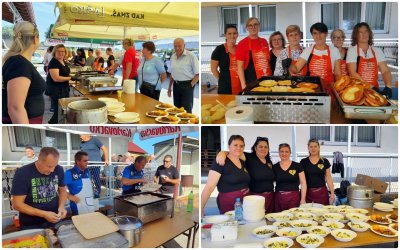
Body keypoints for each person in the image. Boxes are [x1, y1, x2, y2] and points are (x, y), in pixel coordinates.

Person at [11, 147, 67, 230]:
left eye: (54, 166)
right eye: (49, 166)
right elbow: (17, 205)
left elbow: (62, 191)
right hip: (31, 224)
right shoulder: (23, 173)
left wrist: (61, 207)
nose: (52, 170)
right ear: (39, 160)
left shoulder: (58, 169)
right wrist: (44, 214)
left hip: (54, 219)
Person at [2, 21, 46, 124]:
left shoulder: (19, 62)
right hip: (26, 122)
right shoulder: (20, 64)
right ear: (35, 39)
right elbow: (15, 108)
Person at [216, 137, 275, 213]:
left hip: (270, 198)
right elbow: (234, 152)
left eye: (266, 147)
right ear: (255, 148)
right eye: (260, 146)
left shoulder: (269, 162)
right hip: (255, 198)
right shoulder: (248, 157)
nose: (263, 149)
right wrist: (222, 153)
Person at [201, 135, 250, 217]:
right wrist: (201, 208)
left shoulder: (242, 161)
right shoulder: (220, 162)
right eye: (235, 145)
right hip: (229, 202)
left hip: (245, 202)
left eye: (241, 146)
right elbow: (209, 187)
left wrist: (223, 152)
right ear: (229, 146)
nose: (238, 148)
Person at [290, 22, 341, 93]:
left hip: (329, 90)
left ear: (326, 34)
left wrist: (338, 90)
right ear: (312, 35)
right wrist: (289, 63)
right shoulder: (308, 50)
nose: (318, 36)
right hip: (311, 89)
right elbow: (296, 69)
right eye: (315, 33)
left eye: (321, 33)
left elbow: (338, 74)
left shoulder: (334, 51)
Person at [347, 22, 392, 98]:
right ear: (356, 35)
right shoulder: (352, 51)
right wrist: (371, 87)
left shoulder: (377, 51)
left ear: (369, 33)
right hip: (357, 91)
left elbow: (385, 71)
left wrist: (388, 86)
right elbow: (353, 73)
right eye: (360, 32)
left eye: (366, 31)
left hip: (375, 90)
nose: (364, 34)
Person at [236, 17, 272, 89]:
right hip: (251, 81)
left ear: (259, 26)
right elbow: (240, 67)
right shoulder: (242, 44)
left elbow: (267, 61)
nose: (253, 27)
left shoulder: (264, 41)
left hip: (267, 80)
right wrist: (243, 85)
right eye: (250, 25)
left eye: (256, 24)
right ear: (247, 28)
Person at [168, 38, 199, 113]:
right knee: (176, 108)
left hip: (187, 84)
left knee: (186, 109)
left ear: (184, 45)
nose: (177, 48)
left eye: (179, 46)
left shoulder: (191, 56)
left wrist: (190, 85)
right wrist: (169, 88)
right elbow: (173, 73)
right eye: (175, 46)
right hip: (176, 85)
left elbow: (198, 74)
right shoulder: (173, 57)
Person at [273, 143, 307, 212]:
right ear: (279, 153)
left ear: (290, 153)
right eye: (282, 151)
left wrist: (303, 199)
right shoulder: (274, 167)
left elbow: (303, 183)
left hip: (294, 198)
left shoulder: (297, 166)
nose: (284, 153)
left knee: (293, 220)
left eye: (286, 151)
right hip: (279, 198)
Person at [300, 139, 335, 205]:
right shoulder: (303, 162)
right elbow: (301, 181)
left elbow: (329, 178)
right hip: (308, 193)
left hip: (322, 193)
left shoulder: (324, 161)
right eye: (311, 147)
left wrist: (332, 193)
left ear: (319, 147)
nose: (313, 149)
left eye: (315, 146)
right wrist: (302, 198)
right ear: (308, 148)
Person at [211, 24, 241, 95]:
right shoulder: (219, 49)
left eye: (234, 33)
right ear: (225, 35)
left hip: (240, 85)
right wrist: (222, 80)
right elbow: (213, 69)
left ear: (237, 34)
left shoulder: (240, 48)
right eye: (229, 33)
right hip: (225, 87)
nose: (232, 36)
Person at [46, 44, 71, 124]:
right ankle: (50, 125)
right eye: (59, 51)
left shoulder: (63, 61)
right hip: (56, 90)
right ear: (54, 52)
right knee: (58, 112)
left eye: (63, 51)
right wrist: (70, 78)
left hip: (63, 89)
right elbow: (56, 78)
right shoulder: (54, 62)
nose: (61, 53)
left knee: (62, 111)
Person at [64, 151, 95, 215]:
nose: (87, 163)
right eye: (85, 161)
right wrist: (70, 196)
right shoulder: (69, 173)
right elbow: (59, 189)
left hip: (90, 206)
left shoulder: (87, 171)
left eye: (87, 161)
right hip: (78, 207)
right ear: (78, 161)